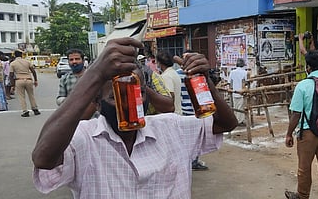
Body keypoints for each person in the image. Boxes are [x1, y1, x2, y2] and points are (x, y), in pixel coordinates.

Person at [31, 37, 238, 198]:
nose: (131, 105)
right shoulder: (83, 138)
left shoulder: (171, 127)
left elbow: (225, 123)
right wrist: (94, 74)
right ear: (98, 102)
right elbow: (43, 158)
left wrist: (203, 78)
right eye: (116, 97)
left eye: (138, 94)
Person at [284, 50, 318, 199]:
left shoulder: (304, 85)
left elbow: (296, 113)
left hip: (308, 134)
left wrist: (289, 133)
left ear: (308, 67)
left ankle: (302, 195)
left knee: (304, 168)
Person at [9, 50, 40, 117]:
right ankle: (35, 109)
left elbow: (11, 75)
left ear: (14, 55)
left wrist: (12, 85)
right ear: (21, 55)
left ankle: (25, 111)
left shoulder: (13, 63)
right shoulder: (27, 61)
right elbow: (33, 71)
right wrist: (36, 80)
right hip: (28, 80)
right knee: (31, 95)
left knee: (21, 96)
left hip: (19, 80)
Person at [157, 50, 182, 114]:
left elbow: (170, 95)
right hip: (178, 112)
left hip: (172, 115)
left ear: (160, 63)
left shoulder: (166, 76)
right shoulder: (174, 73)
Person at [228, 58, 248, 125]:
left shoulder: (232, 72)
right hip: (241, 92)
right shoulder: (245, 72)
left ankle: (237, 119)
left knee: (236, 106)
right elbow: (246, 82)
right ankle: (239, 121)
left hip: (234, 92)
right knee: (241, 107)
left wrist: (231, 89)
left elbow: (230, 82)